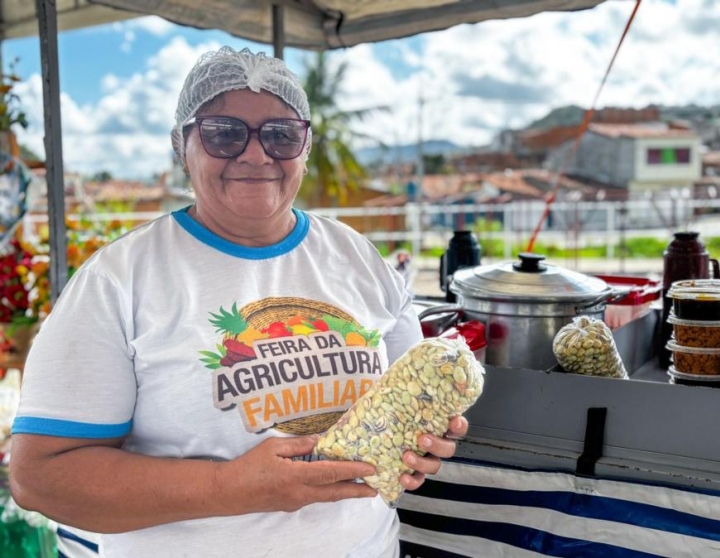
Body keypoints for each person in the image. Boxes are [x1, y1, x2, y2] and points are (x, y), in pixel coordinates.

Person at [9, 46, 468, 557]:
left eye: (281, 135)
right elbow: (40, 477)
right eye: (223, 133)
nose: (255, 155)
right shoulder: (119, 280)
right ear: (183, 147)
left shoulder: (359, 258)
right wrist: (228, 487)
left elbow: (409, 403)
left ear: (306, 147)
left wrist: (422, 444)